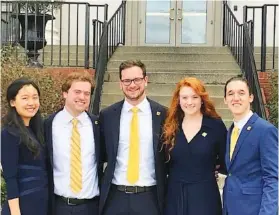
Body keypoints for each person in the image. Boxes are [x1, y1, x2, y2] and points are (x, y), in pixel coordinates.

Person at [99, 60, 167, 215]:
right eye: (127, 81)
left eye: (137, 79)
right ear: (120, 84)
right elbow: (101, 154)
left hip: (150, 198)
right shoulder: (108, 115)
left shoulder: (162, 114)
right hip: (115, 198)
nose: (132, 85)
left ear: (145, 80)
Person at [163, 77, 227, 215]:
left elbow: (224, 159)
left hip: (205, 196)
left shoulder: (215, 125)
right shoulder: (170, 125)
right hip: (175, 196)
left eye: (194, 97)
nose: (189, 102)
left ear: (202, 99)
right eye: (184, 97)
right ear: (178, 100)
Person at [44, 72, 103, 215]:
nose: (82, 97)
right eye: (77, 92)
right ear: (65, 93)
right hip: (59, 206)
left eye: (87, 93)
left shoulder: (98, 126)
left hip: (91, 207)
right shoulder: (47, 125)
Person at [222, 76, 278, 215]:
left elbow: (273, 178)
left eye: (241, 93)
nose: (236, 98)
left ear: (251, 97)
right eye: (231, 93)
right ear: (225, 100)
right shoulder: (231, 130)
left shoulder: (265, 130)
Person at [1, 78, 48, 215]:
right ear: (12, 102)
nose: (31, 103)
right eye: (25, 98)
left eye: (35, 98)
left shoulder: (39, 130)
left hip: (41, 203)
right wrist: (16, 212)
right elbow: (10, 177)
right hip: (22, 206)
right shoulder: (8, 134)